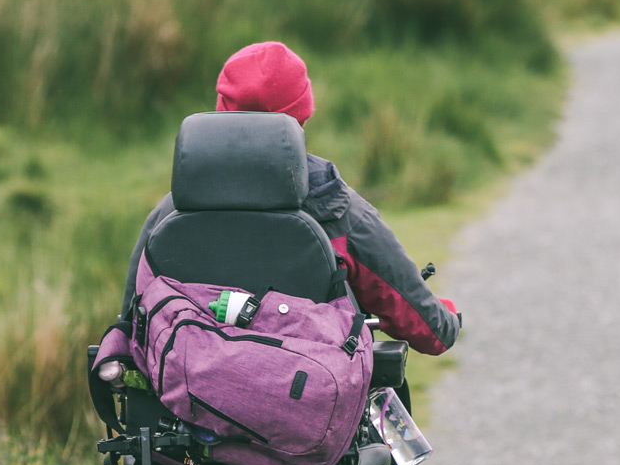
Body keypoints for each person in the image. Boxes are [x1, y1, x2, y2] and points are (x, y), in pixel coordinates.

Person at [121, 41, 460, 355]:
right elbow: (431, 334)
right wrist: (447, 317)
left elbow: (129, 322)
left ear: (221, 107)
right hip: (309, 400)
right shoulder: (338, 210)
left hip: (187, 400)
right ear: (303, 114)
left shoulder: (171, 210)